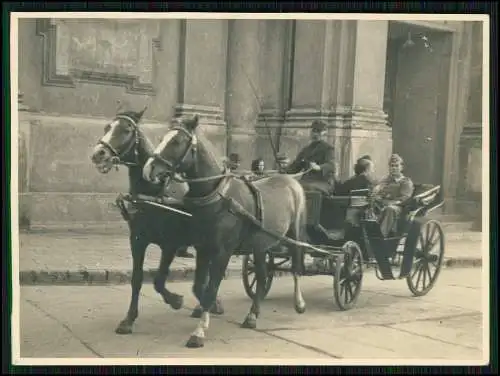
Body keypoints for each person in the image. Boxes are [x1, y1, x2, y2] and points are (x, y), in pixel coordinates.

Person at [286, 120, 336, 195]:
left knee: (307, 187)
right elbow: (295, 167)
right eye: (314, 131)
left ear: (324, 133)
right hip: (307, 180)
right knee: (291, 187)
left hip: (323, 182)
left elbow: (331, 165)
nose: (315, 134)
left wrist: (319, 167)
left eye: (318, 131)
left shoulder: (328, 148)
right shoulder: (306, 149)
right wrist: (283, 169)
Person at [372, 154, 414, 237]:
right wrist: (375, 195)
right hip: (380, 204)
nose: (394, 168)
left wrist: (390, 203)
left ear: (401, 167)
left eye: (396, 166)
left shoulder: (405, 182)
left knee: (389, 209)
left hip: (398, 208)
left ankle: (382, 235)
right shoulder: (384, 180)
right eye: (391, 166)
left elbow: (404, 199)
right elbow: (376, 193)